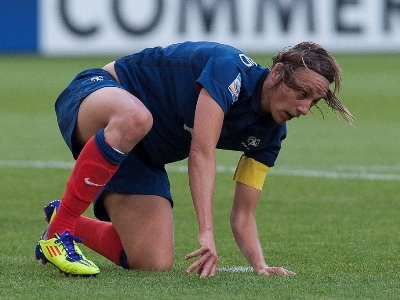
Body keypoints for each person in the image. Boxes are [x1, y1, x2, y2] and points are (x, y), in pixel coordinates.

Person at [35, 41, 354, 278]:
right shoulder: (231, 70)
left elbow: (244, 213)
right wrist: (206, 232)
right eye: (302, 94)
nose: (304, 109)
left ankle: (63, 219)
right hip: (97, 95)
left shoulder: (271, 134)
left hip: (142, 153)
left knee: (153, 261)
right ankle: (60, 235)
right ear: (277, 74)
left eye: (313, 102)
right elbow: (201, 151)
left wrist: (260, 265)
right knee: (136, 117)